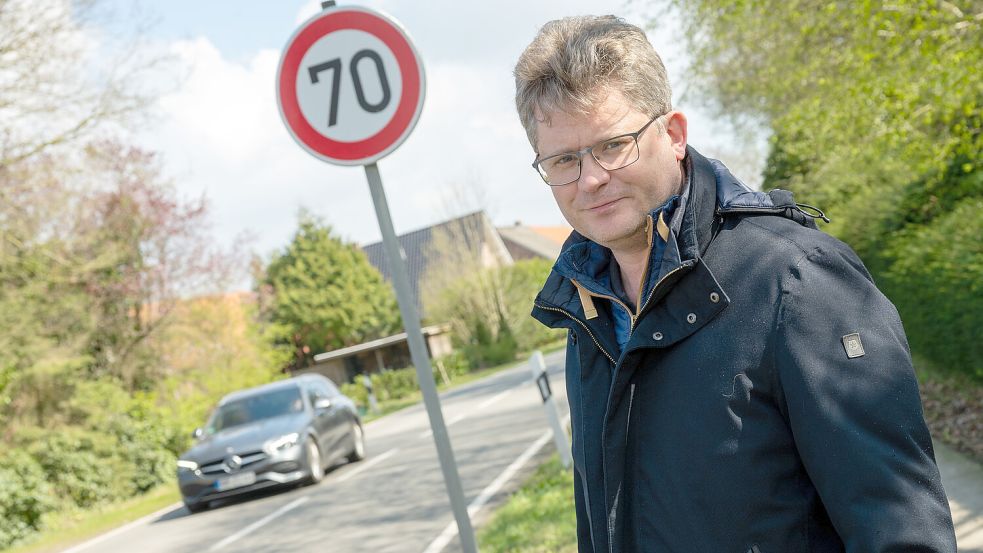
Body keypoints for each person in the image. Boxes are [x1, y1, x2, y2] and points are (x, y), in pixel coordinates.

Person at [515, 15, 956, 552]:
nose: (590, 179)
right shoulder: (585, 305)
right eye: (564, 159)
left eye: (613, 145)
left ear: (673, 135)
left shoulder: (796, 281)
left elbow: (900, 530)